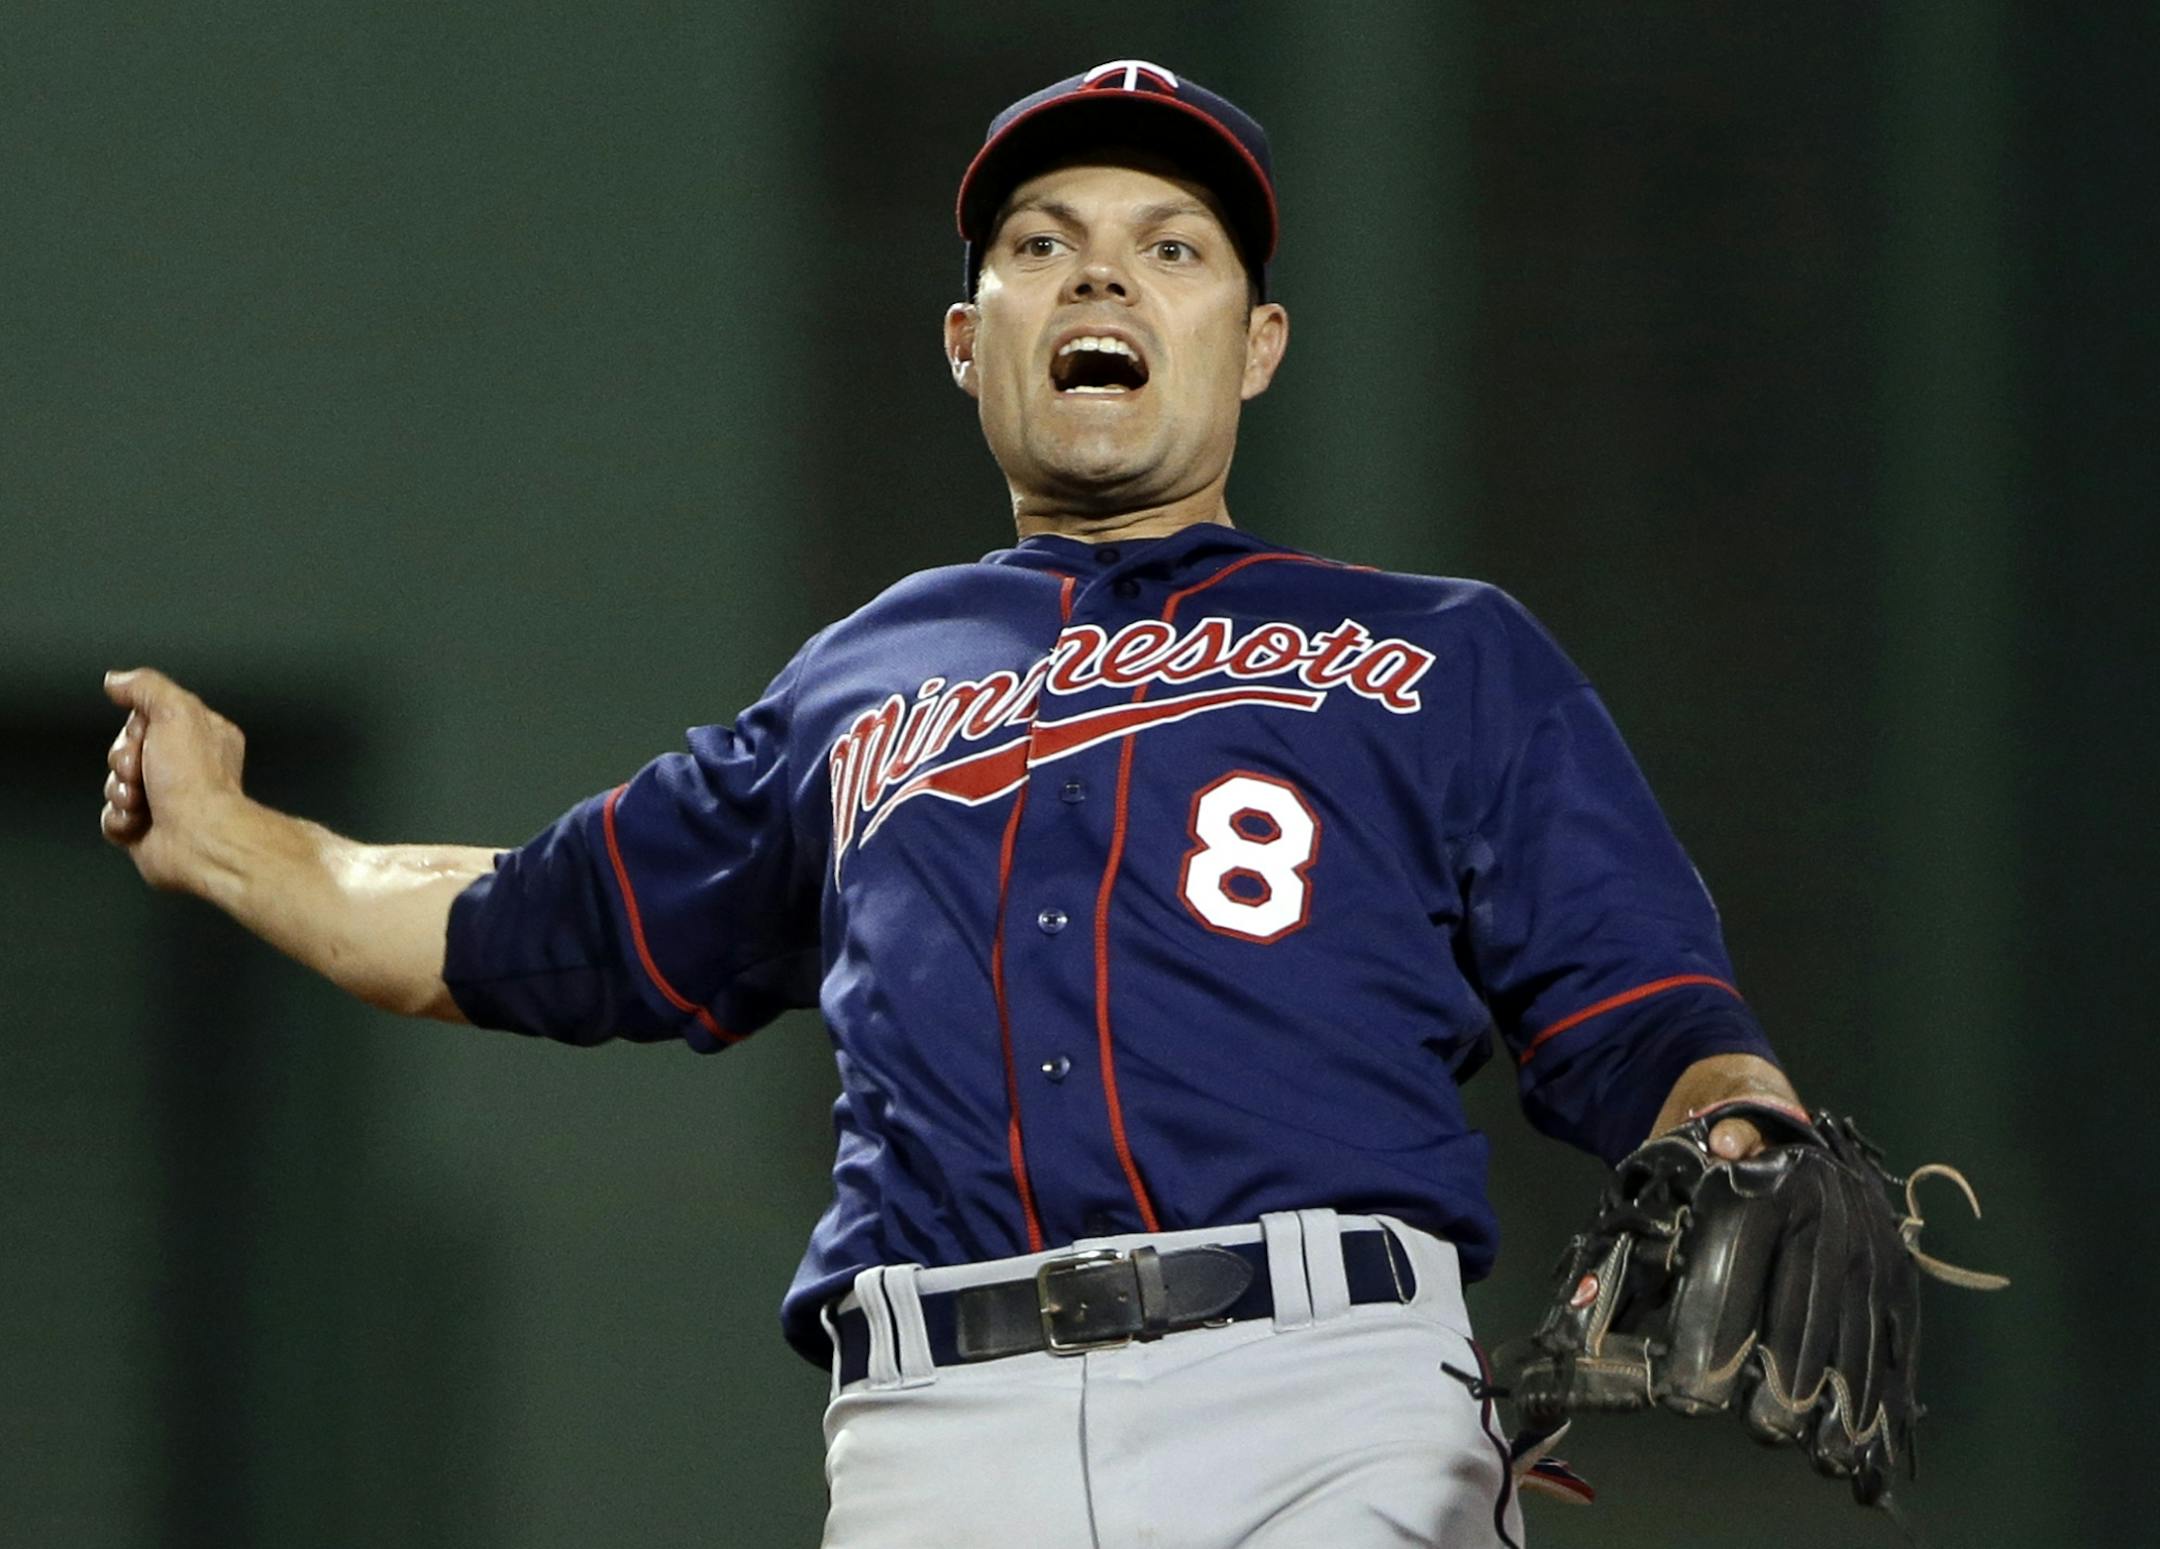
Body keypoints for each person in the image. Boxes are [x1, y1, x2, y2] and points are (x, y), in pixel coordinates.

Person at [101, 60, 1806, 1548]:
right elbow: (533, 922)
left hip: (1332, 1409)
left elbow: (1638, 1001)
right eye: (1042, 243)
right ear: (966, 335)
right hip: (940, 1434)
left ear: (1257, 341)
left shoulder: (1442, 653)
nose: (1103, 278)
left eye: (1173, 248)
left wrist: (1737, 1121)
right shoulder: (860, 682)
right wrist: (236, 838)